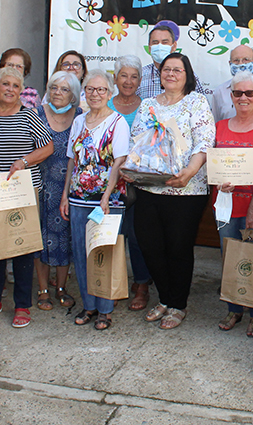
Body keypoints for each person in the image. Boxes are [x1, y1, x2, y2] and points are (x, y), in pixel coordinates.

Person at [130, 53, 215, 329]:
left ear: (187, 75)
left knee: (178, 248)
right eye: (167, 69)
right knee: (150, 245)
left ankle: (178, 304)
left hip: (186, 189)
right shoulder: (147, 105)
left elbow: (205, 142)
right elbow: (136, 141)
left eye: (178, 70)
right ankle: (164, 298)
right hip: (149, 186)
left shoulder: (196, 102)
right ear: (160, 74)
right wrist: (133, 169)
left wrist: (189, 172)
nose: (171, 74)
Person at [0, 67, 54, 329]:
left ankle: (22, 305)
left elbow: (48, 147)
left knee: (23, 248)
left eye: (15, 86)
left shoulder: (29, 116)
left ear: (21, 91)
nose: (10, 89)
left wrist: (24, 161)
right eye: (5, 84)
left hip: (23, 191)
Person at [59, 70, 131, 330]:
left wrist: (107, 195)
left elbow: (119, 163)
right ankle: (89, 305)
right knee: (81, 254)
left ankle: (106, 309)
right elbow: (72, 160)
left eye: (101, 89)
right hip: (78, 199)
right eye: (90, 89)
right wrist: (65, 195)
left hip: (107, 202)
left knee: (104, 254)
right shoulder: (79, 121)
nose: (95, 94)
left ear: (109, 93)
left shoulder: (118, 122)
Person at [213, 71, 253, 337]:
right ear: (231, 96)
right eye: (238, 93)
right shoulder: (219, 127)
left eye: (249, 93)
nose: (243, 98)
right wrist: (218, 182)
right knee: (229, 258)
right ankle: (234, 308)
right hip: (226, 206)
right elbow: (213, 166)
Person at [32, 71, 82, 312]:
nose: (57, 93)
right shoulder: (36, 115)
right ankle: (42, 289)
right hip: (39, 186)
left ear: (73, 95)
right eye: (54, 87)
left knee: (65, 238)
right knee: (39, 238)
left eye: (64, 89)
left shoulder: (81, 117)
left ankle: (61, 287)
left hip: (69, 188)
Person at [109, 55, 153, 312]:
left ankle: (142, 284)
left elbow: (153, 143)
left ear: (140, 80)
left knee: (137, 235)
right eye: (124, 75)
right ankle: (112, 284)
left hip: (138, 180)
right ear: (115, 78)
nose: (128, 81)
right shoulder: (105, 104)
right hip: (106, 181)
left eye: (134, 76)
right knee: (112, 234)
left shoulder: (148, 106)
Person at [138, 20, 210, 99]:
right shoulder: (140, 75)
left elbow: (202, 103)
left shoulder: (187, 75)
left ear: (174, 46)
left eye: (164, 42)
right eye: (155, 42)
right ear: (149, 47)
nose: (159, 46)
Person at [211, 45, 253, 122]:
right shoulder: (220, 91)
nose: (240, 64)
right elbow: (215, 122)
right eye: (236, 60)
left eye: (246, 60)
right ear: (230, 63)